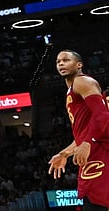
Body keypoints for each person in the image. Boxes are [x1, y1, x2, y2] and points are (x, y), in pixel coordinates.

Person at [48, 50, 109, 210]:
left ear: (79, 65)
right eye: (58, 61)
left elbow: (102, 115)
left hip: (100, 149)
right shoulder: (71, 90)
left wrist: (88, 143)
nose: (61, 63)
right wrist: (66, 153)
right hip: (92, 148)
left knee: (97, 201)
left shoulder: (82, 82)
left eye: (66, 60)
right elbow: (83, 133)